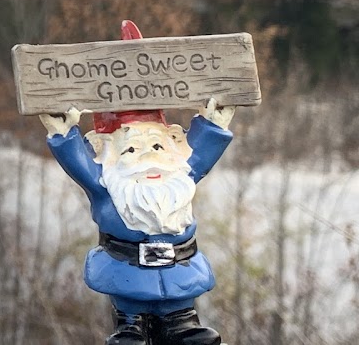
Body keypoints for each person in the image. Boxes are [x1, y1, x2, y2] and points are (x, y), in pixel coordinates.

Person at [39, 21, 234, 345]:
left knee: (181, 319)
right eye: (131, 149)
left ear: (172, 144)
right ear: (109, 153)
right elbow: (80, 165)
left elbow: (201, 154)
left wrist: (214, 123)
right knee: (132, 319)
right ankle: (131, 325)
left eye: (156, 146)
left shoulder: (179, 173)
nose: (148, 156)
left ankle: (182, 324)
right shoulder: (107, 182)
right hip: (126, 266)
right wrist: (63, 134)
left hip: (180, 266)